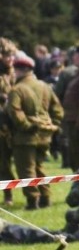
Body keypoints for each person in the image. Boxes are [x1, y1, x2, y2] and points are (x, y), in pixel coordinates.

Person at [5, 54, 63, 210]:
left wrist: (26, 126)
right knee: (40, 167)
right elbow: (57, 110)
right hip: (45, 135)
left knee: (26, 169)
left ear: (19, 71)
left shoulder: (17, 90)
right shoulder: (45, 86)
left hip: (25, 137)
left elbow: (14, 111)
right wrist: (52, 126)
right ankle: (46, 197)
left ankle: (32, 201)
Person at [0, 37, 18, 206]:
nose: (10, 59)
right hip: (1, 123)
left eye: (12, 55)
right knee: (3, 161)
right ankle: (8, 196)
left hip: (14, 123)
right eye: (7, 55)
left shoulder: (15, 72)